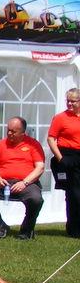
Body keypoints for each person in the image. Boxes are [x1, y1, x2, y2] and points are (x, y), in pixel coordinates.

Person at [0, 117, 44, 240]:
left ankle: (27, 230)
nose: (9, 134)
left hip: (26, 183)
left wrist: (24, 182)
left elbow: (40, 167)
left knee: (36, 199)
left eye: (13, 131)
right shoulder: (1, 144)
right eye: (8, 130)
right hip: (3, 182)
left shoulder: (33, 145)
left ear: (23, 133)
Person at [47, 88, 80, 238]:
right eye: (68, 100)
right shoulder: (60, 118)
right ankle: (73, 228)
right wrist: (61, 158)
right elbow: (51, 139)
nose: (70, 103)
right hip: (67, 155)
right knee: (73, 194)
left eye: (73, 101)